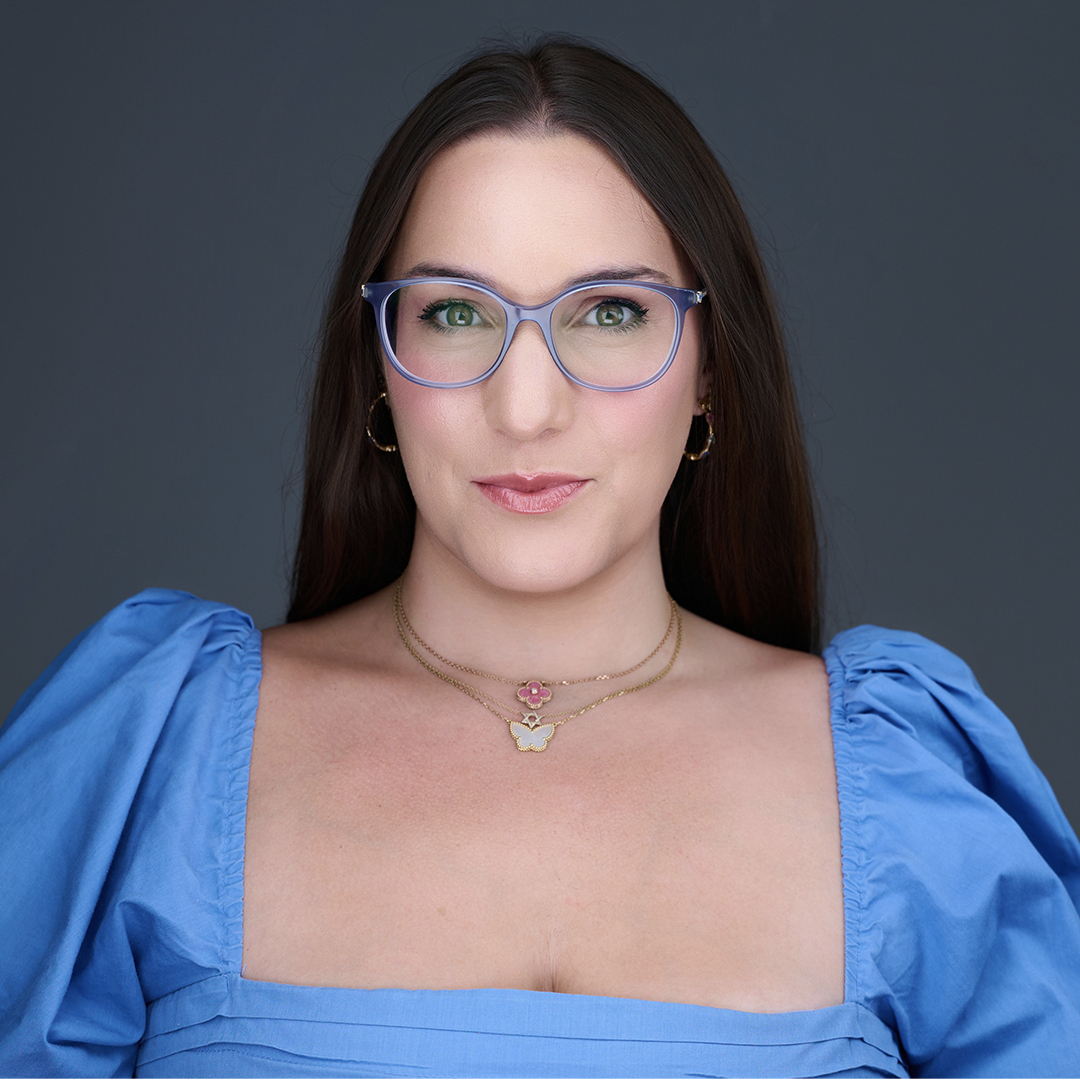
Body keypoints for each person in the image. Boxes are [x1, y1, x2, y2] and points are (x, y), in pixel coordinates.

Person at [1, 37, 1078, 1079]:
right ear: (378, 366)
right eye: (458, 312)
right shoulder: (153, 762)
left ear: (711, 373)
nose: (527, 407)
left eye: (610, 312)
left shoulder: (909, 789)